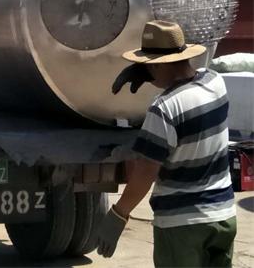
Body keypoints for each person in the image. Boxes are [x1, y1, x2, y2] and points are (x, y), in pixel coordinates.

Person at [96, 20, 237, 267]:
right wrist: (151, 71)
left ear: (159, 65)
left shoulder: (164, 109)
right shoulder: (216, 83)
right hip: (223, 216)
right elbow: (196, 74)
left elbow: (145, 171)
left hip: (182, 227)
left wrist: (119, 213)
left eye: (148, 65)